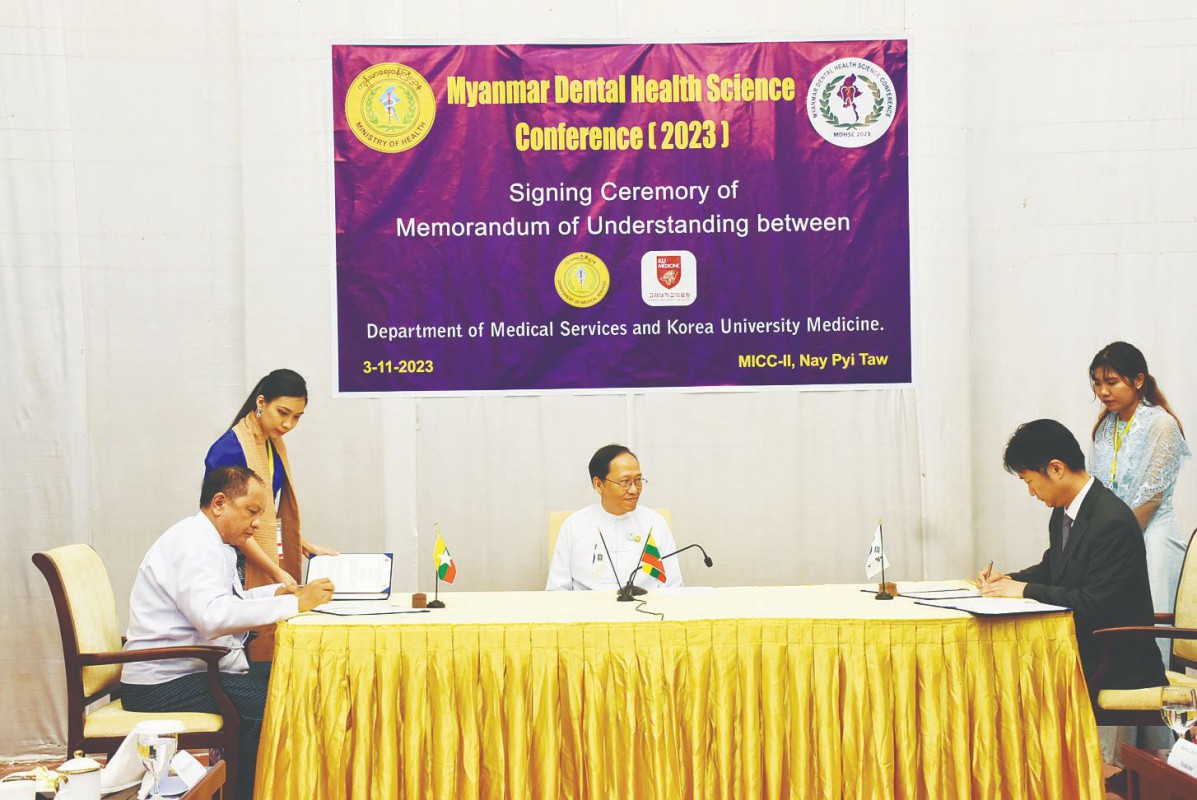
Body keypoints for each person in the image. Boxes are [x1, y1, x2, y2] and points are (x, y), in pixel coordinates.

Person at [120, 466, 335, 800]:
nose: (257, 524)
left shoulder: (208, 540)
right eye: (251, 511)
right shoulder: (193, 544)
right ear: (219, 503)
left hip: (186, 670)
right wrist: (294, 605)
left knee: (283, 680)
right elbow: (212, 617)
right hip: (161, 683)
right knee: (269, 703)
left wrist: (278, 593)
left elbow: (226, 603)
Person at [978, 419, 1165, 692]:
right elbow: (1053, 567)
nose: (1031, 492)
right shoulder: (1064, 511)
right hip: (1081, 649)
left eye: (1029, 481)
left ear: (1056, 469)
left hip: (1114, 664)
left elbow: (1093, 604)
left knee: (1010, 680)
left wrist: (1023, 590)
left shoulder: (1112, 522)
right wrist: (1006, 580)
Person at [204, 369, 335, 658]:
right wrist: (275, 571)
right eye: (283, 413)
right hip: (234, 557)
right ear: (261, 402)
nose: (288, 424)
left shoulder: (270, 442)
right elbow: (232, 525)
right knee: (249, 644)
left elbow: (263, 516)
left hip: (253, 547)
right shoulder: (230, 449)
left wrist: (303, 545)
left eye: (297, 417)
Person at [1088, 342, 1190, 629]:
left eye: (1111, 382)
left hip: (1152, 538)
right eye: (1097, 383)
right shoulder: (1105, 427)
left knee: (1152, 626)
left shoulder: (1161, 424)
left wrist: (1115, 542)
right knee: (1113, 626)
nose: (1103, 391)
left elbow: (1152, 498)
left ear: (1138, 380)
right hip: (1115, 540)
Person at [546, 444, 683, 591]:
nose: (634, 490)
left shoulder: (655, 524)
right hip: (588, 605)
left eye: (638, 480)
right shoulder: (574, 526)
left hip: (645, 604)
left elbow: (673, 588)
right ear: (599, 485)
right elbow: (557, 589)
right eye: (624, 482)